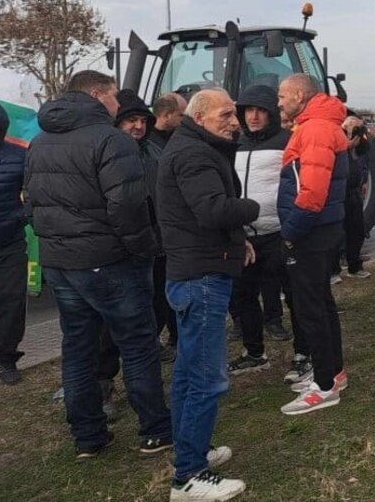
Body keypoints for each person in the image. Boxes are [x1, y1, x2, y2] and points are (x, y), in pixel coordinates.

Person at [25, 70, 170, 459]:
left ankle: (88, 436)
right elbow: (127, 206)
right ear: (95, 94)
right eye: (113, 97)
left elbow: (32, 202)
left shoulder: (39, 142)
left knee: (77, 348)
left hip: (61, 263)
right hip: (110, 262)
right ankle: (155, 429)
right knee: (138, 345)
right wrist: (144, 249)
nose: (118, 105)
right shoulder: (111, 140)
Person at [157, 87, 259, 500]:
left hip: (196, 269)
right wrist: (254, 207)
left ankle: (191, 451)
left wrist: (239, 242)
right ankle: (189, 477)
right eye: (225, 115)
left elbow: (203, 215)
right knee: (205, 377)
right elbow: (214, 209)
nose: (234, 122)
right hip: (200, 278)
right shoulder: (194, 155)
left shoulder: (193, 149)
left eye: (233, 114)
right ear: (199, 118)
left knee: (187, 373)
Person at [277, 74, 350, 414]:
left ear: (300, 95)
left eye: (282, 96)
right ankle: (333, 372)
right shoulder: (316, 124)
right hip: (321, 229)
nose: (278, 102)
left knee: (311, 308)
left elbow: (311, 194)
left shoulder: (315, 128)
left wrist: (290, 233)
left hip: (310, 231)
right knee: (321, 302)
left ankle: (323, 386)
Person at [229, 85, 298, 377]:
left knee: (294, 295)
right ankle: (254, 352)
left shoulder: (287, 141)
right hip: (244, 236)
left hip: (279, 232)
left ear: (271, 113)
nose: (254, 117)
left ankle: (303, 352)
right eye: (248, 111)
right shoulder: (234, 142)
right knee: (245, 297)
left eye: (260, 111)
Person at [114, 90, 177, 361]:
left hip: (159, 243)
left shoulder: (155, 151)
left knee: (160, 303)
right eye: (131, 120)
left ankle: (151, 344)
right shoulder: (107, 153)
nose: (138, 126)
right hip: (123, 247)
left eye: (142, 120)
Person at [0, 100, 28, 385]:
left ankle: (6, 359)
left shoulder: (20, 156)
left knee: (12, 304)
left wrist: (22, 216)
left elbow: (36, 190)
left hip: (8, 242)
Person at [338, 113, 371, 280]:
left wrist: (360, 136)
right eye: (352, 126)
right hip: (339, 192)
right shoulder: (337, 137)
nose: (355, 129)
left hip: (354, 191)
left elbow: (365, 156)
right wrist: (345, 143)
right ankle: (333, 269)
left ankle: (355, 265)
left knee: (357, 230)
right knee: (337, 232)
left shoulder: (360, 141)